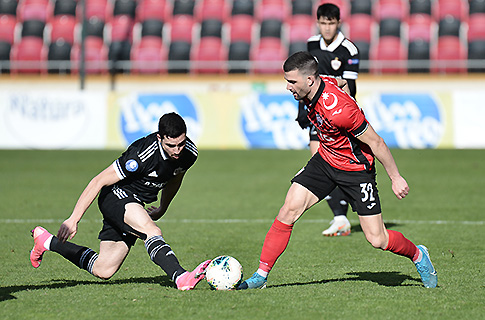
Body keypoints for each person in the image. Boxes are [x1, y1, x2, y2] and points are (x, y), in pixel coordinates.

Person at [238, 51, 437, 290]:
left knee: (377, 239)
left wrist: (395, 177)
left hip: (355, 170)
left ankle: (418, 255)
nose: (288, 87)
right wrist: (343, 87)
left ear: (309, 80)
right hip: (325, 161)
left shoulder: (341, 110)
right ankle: (261, 276)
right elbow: (339, 81)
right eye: (286, 81)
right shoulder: (318, 85)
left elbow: (376, 143)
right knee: (288, 209)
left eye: (292, 82)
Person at [30, 112, 211, 291]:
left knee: (104, 269)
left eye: (181, 143)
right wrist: (73, 218)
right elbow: (98, 181)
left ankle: (46, 241)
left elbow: (174, 179)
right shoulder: (140, 155)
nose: (177, 150)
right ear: (159, 138)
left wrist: (163, 207)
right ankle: (181, 277)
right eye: (171, 145)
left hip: (135, 204)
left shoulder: (189, 153)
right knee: (151, 230)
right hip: (115, 196)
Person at [296, 3, 360, 237]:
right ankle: (340, 218)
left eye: (331, 23)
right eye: (323, 23)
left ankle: (347, 211)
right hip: (315, 113)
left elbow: (350, 88)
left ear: (338, 23)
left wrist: (329, 94)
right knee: (319, 160)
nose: (327, 27)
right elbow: (305, 79)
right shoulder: (312, 44)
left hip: (337, 113)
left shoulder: (349, 50)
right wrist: (303, 107)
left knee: (335, 163)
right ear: (318, 23)